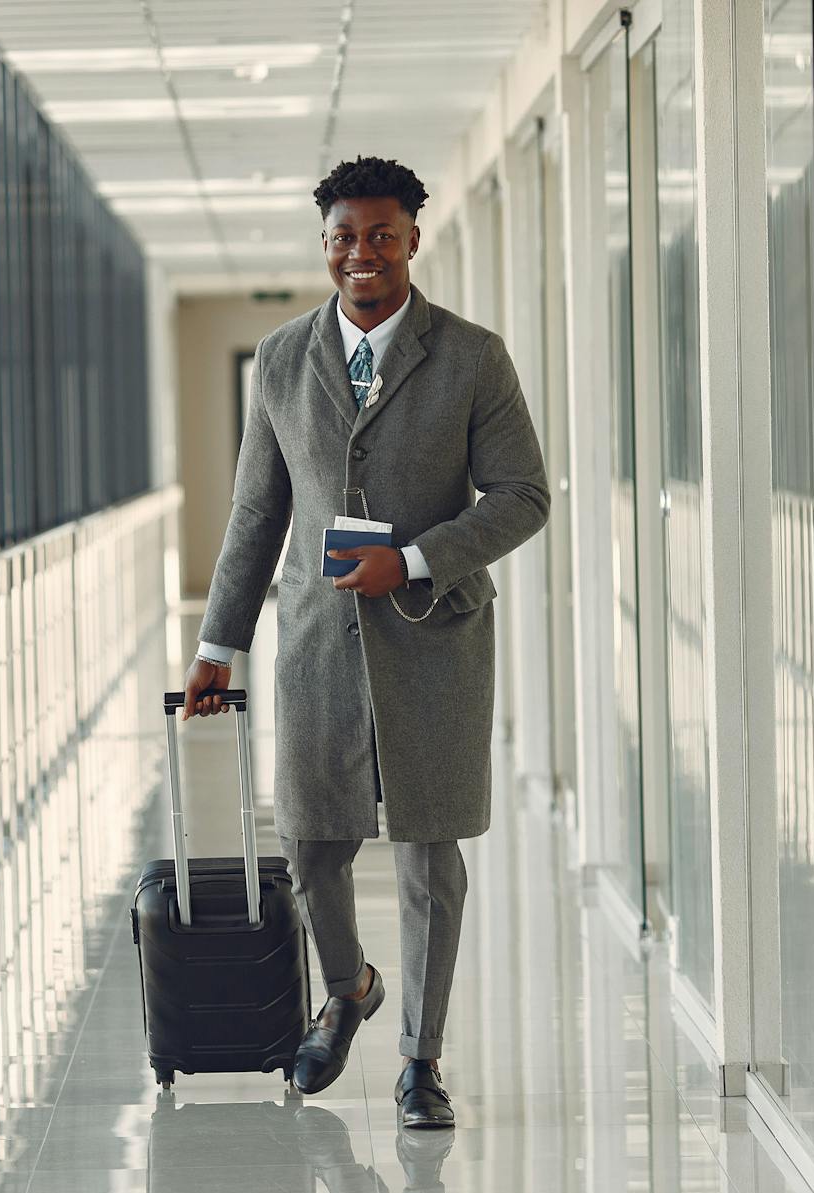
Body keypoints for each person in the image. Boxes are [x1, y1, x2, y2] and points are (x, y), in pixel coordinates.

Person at [181, 155, 549, 1128]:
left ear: (413, 239)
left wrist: (416, 560)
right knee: (311, 843)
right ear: (325, 244)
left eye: (383, 235)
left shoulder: (472, 357)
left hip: (436, 641)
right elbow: (256, 514)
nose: (363, 253)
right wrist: (218, 644)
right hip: (317, 643)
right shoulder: (280, 359)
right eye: (344, 236)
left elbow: (523, 496)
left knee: (430, 856)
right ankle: (348, 989)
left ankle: (421, 1060)